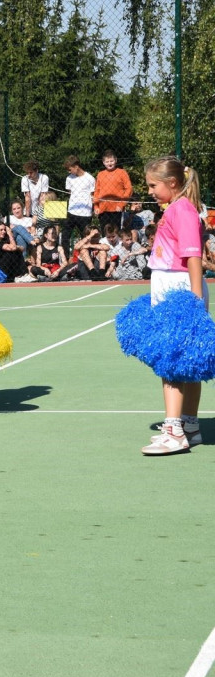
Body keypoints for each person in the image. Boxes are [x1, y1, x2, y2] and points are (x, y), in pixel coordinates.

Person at [138, 157, 206, 454]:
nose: (150, 191)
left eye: (153, 185)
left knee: (172, 361)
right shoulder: (175, 209)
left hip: (178, 289)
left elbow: (194, 258)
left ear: (173, 183)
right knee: (187, 361)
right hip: (172, 285)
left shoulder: (183, 211)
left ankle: (174, 430)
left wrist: (194, 299)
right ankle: (189, 425)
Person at [94, 150, 133, 233]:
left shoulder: (122, 172)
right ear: (103, 162)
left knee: (116, 232)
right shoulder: (100, 174)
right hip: (103, 209)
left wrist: (122, 204)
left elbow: (129, 189)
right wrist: (96, 206)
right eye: (107, 161)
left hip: (116, 209)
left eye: (111, 161)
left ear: (116, 160)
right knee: (105, 232)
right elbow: (97, 191)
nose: (109, 163)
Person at [63, 155, 95, 249]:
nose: (69, 172)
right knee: (65, 235)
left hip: (85, 213)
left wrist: (93, 209)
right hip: (71, 211)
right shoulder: (69, 178)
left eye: (70, 169)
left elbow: (92, 195)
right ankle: (65, 258)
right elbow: (70, 193)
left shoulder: (90, 178)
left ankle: (84, 258)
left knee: (84, 237)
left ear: (76, 166)